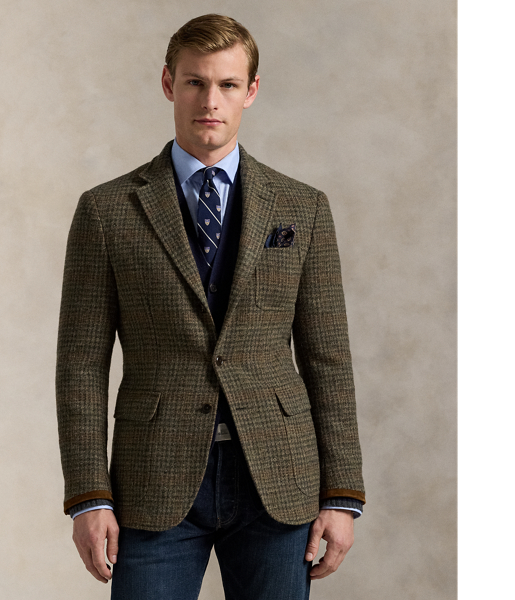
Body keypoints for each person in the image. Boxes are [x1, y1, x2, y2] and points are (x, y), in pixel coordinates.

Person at [56, 13, 365, 600]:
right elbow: (80, 365)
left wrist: (342, 494)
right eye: (195, 82)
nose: (210, 101)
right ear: (168, 83)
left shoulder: (302, 208)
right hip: (153, 479)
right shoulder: (107, 211)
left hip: (278, 477)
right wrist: (88, 497)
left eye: (227, 84)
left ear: (251, 90)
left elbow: (328, 358)